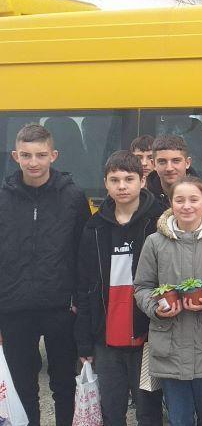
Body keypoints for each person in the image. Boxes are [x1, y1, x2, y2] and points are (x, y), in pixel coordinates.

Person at [0, 123, 91, 426]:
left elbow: (83, 255)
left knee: (64, 384)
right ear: (15, 156)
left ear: (54, 155)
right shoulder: (3, 197)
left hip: (61, 308)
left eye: (40, 155)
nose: (33, 162)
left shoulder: (73, 196)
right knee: (22, 385)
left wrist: (78, 300)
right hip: (14, 308)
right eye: (26, 155)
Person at [133, 176, 202, 425]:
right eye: (179, 200)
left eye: (194, 199)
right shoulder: (155, 242)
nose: (187, 206)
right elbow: (141, 287)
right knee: (179, 419)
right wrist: (156, 307)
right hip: (168, 345)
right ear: (171, 203)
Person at [73, 151, 164, 425]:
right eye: (114, 180)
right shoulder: (94, 227)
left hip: (147, 336)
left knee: (149, 410)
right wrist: (84, 340)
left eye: (129, 179)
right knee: (112, 411)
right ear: (105, 183)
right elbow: (84, 287)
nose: (122, 186)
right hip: (106, 337)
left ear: (142, 181)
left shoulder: (159, 221)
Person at [145, 134, 202, 212]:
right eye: (162, 162)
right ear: (154, 164)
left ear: (187, 163)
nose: (169, 168)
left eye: (176, 161)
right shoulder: (144, 199)